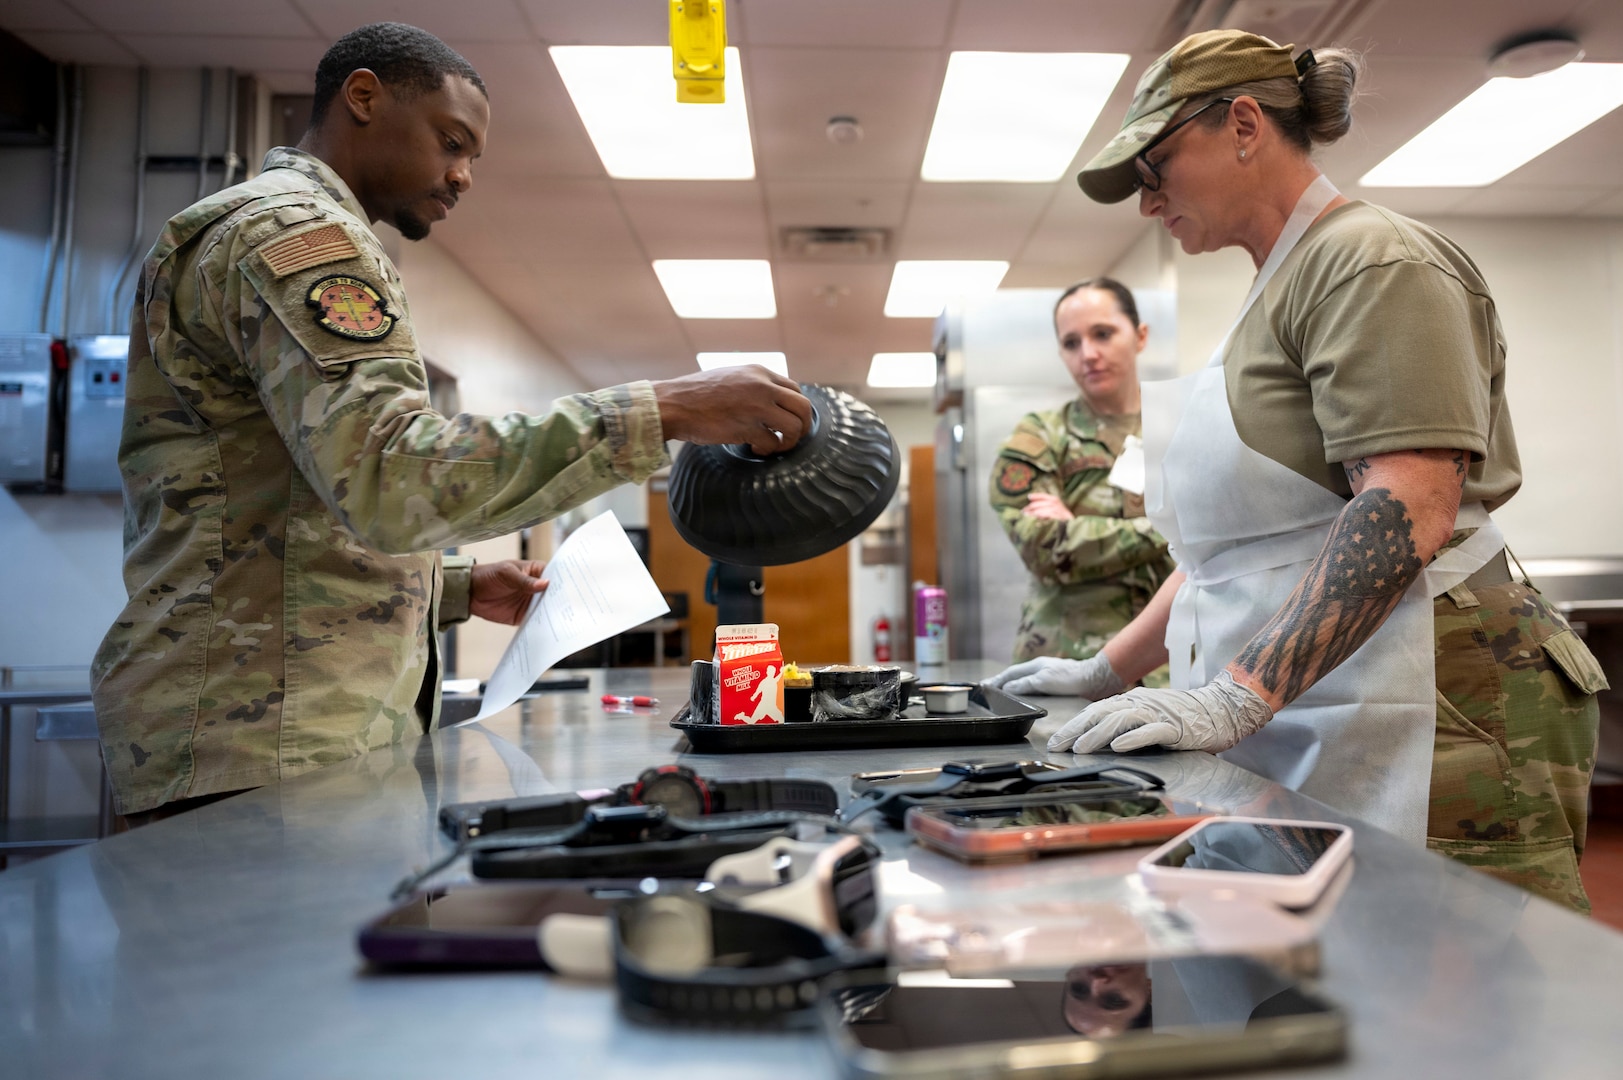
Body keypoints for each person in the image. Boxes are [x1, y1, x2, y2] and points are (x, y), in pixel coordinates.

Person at [91, 23, 812, 825]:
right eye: (450, 141)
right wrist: (666, 408)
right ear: (363, 98)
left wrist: (451, 586)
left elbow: (290, 501)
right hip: (261, 739)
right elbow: (387, 474)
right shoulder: (294, 235)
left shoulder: (287, 231)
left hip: (276, 728)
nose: (463, 175)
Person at [987, 29, 1605, 912]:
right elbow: (1236, 556)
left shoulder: (1370, 261)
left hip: (1452, 693)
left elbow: (1407, 508)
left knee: (1470, 987)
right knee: (1353, 973)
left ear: (1243, 124)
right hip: (1340, 690)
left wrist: (1233, 697)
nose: (1146, 200)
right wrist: (1108, 669)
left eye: (1157, 165)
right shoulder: (1272, 289)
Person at [987, 278, 1176, 679]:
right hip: (1063, 663)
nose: (1088, 354)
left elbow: (1221, 541)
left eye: (1103, 334)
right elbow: (1044, 549)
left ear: (1140, 336)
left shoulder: (1184, 430)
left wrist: (1079, 528)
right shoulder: (1040, 436)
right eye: (1071, 343)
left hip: (1168, 666)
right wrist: (1169, 529)